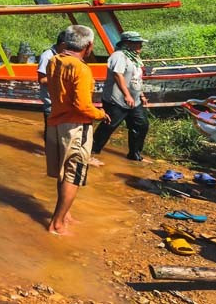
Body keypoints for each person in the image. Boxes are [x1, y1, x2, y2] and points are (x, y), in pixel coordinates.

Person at [45, 24, 110, 235]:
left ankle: (65, 215)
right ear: (88, 46)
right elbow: (82, 106)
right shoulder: (81, 69)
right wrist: (101, 114)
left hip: (55, 122)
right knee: (73, 174)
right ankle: (57, 224)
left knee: (63, 173)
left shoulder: (54, 61)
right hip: (75, 127)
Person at [91, 32, 150, 161]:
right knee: (108, 126)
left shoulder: (135, 58)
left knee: (141, 125)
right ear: (127, 44)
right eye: (137, 43)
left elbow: (136, 78)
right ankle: (92, 151)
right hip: (116, 99)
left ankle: (135, 155)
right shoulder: (118, 56)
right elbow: (118, 75)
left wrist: (141, 94)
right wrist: (127, 95)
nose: (141, 45)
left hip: (134, 101)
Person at [37, 31, 68, 130]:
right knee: (50, 135)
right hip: (51, 104)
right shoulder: (47, 56)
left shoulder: (65, 56)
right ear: (63, 44)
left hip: (63, 104)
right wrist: (61, 77)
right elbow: (42, 80)